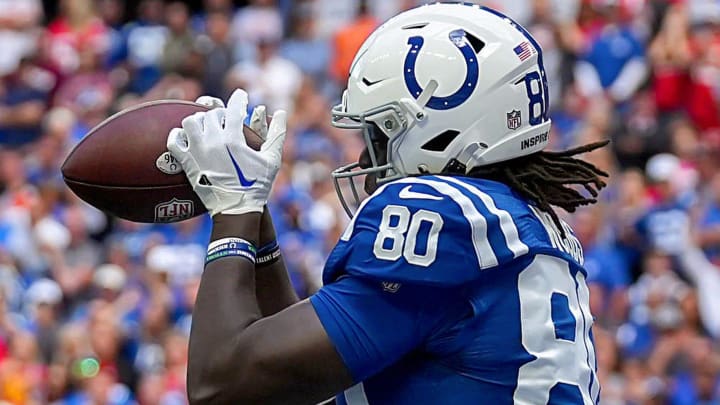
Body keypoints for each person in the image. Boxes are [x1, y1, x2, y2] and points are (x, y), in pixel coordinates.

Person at [167, 4, 608, 404]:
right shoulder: (517, 223)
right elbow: (300, 376)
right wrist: (256, 214)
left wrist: (233, 211)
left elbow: (219, 384)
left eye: (379, 132)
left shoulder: (442, 215)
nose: (364, 157)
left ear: (442, 126)